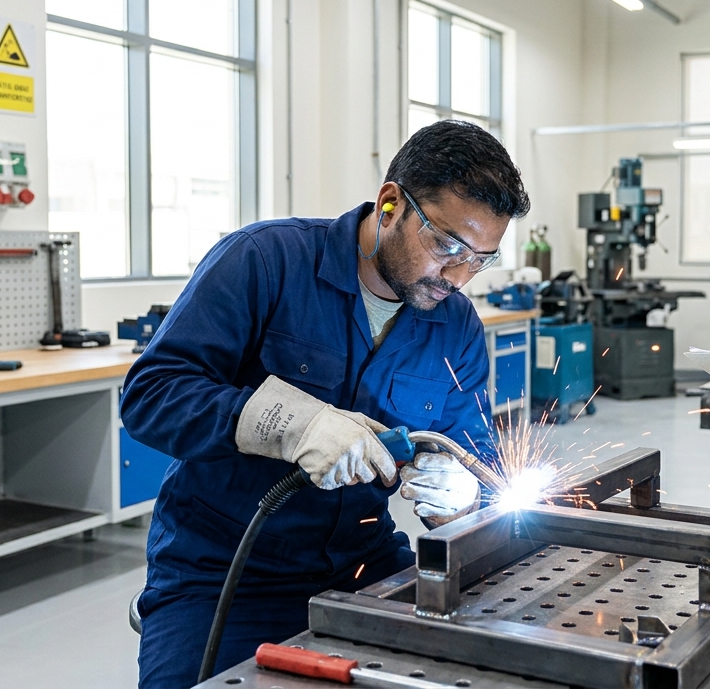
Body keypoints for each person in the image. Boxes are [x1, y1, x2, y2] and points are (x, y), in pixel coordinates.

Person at [122, 120, 531, 688]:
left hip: (362, 563)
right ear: (391, 204)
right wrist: (291, 424)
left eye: (481, 259)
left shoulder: (455, 325)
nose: (459, 277)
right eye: (447, 246)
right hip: (221, 568)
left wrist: (460, 497)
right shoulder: (264, 261)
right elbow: (152, 394)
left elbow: (480, 464)